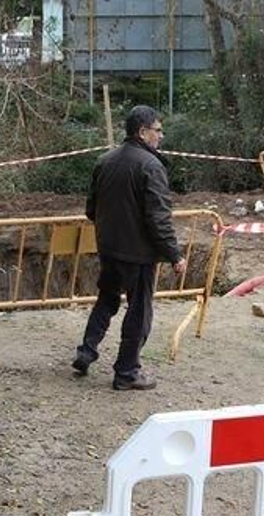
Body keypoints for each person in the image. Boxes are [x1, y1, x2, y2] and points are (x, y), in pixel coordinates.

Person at [72, 105, 186, 391]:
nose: (161, 135)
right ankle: (127, 371)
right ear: (142, 132)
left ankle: (86, 351)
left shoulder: (105, 161)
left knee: (107, 299)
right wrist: (174, 254)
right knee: (139, 311)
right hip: (138, 255)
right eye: (157, 130)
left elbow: (91, 209)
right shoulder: (151, 166)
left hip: (109, 248)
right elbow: (158, 218)